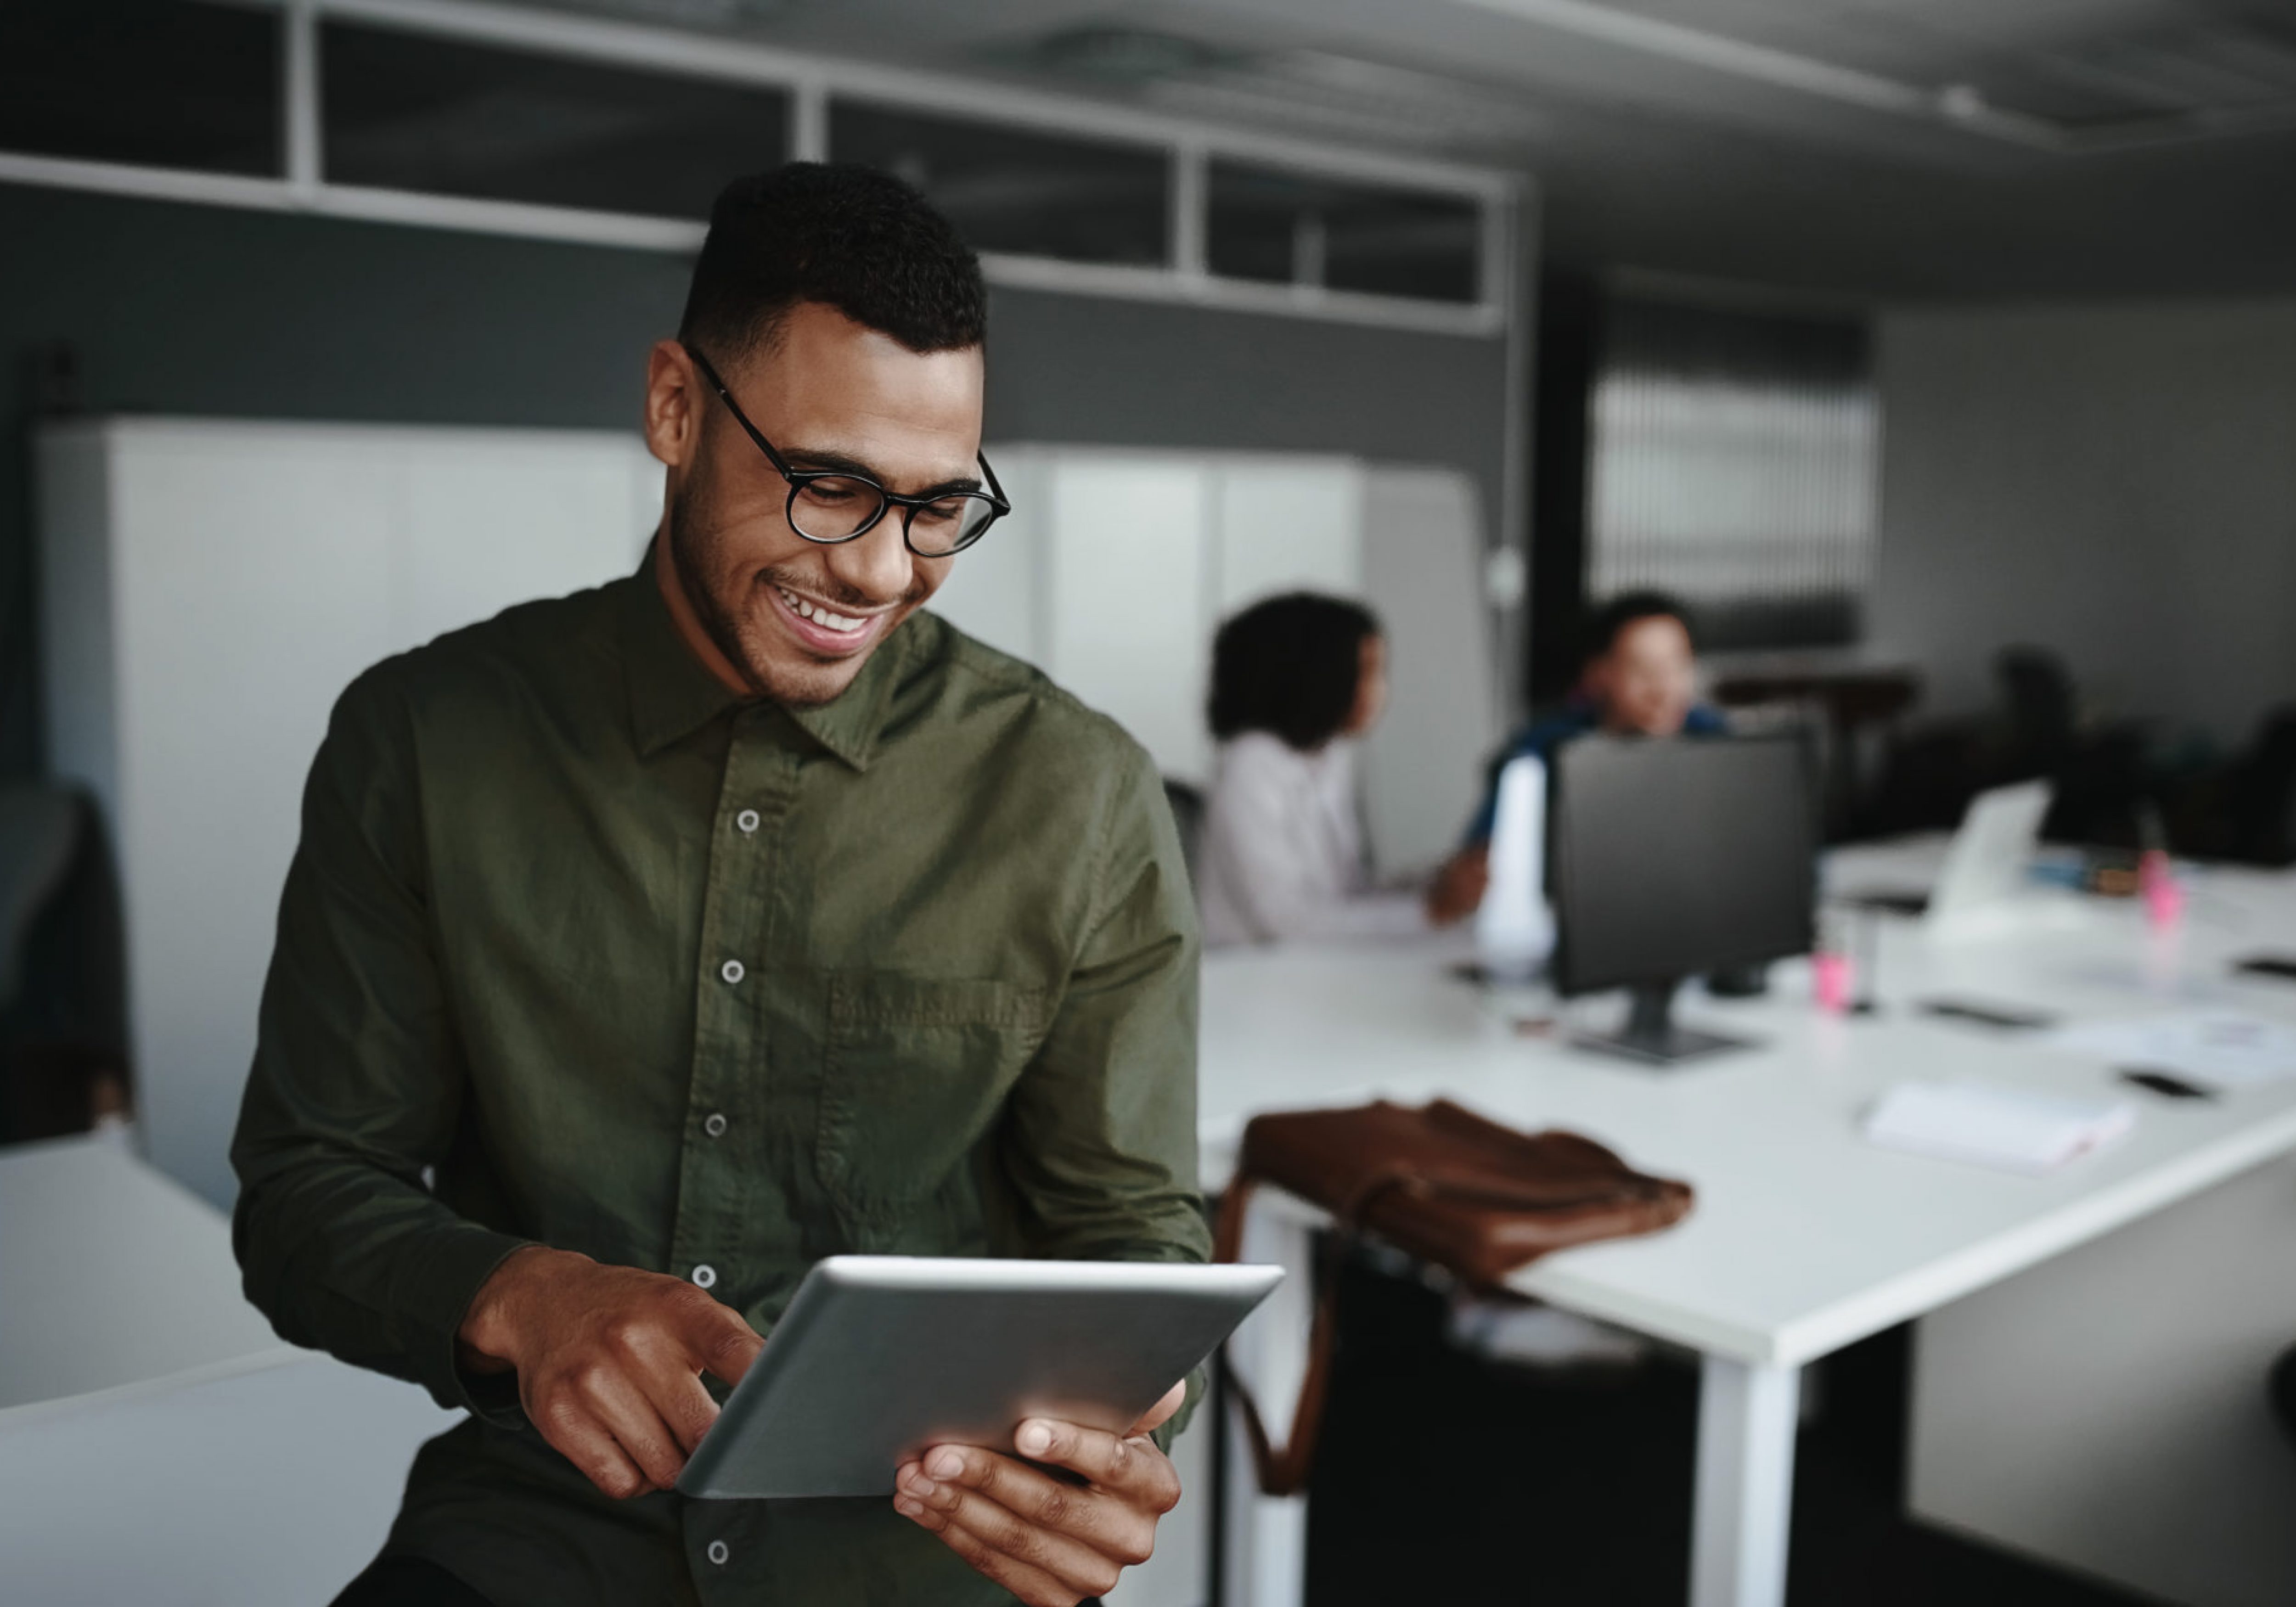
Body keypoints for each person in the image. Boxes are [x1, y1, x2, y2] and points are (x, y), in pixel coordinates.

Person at [231, 164, 1205, 1607]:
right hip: (540, 1534)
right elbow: (306, 1191)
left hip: (914, 1551)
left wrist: (1115, 1429)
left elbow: (1133, 1244)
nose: (883, 570)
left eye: (940, 506)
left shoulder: (1082, 793)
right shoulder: (425, 739)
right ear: (676, 410)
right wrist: (520, 1291)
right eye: (831, 488)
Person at [1429, 589, 1728, 922]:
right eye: (1641, 669)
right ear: (1598, 674)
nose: (1663, 688)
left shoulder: (1714, 739)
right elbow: (1476, 864)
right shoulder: (1543, 751)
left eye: (1677, 666)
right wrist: (1465, 880)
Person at [1195, 592, 1473, 944]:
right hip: (1254, 981)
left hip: (1315, 972)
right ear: (1316, 676)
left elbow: (1344, 898)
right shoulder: (1250, 766)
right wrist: (1430, 912)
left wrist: (1433, 886)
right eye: (1367, 673)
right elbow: (1287, 923)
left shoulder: (1328, 759)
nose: (1379, 691)